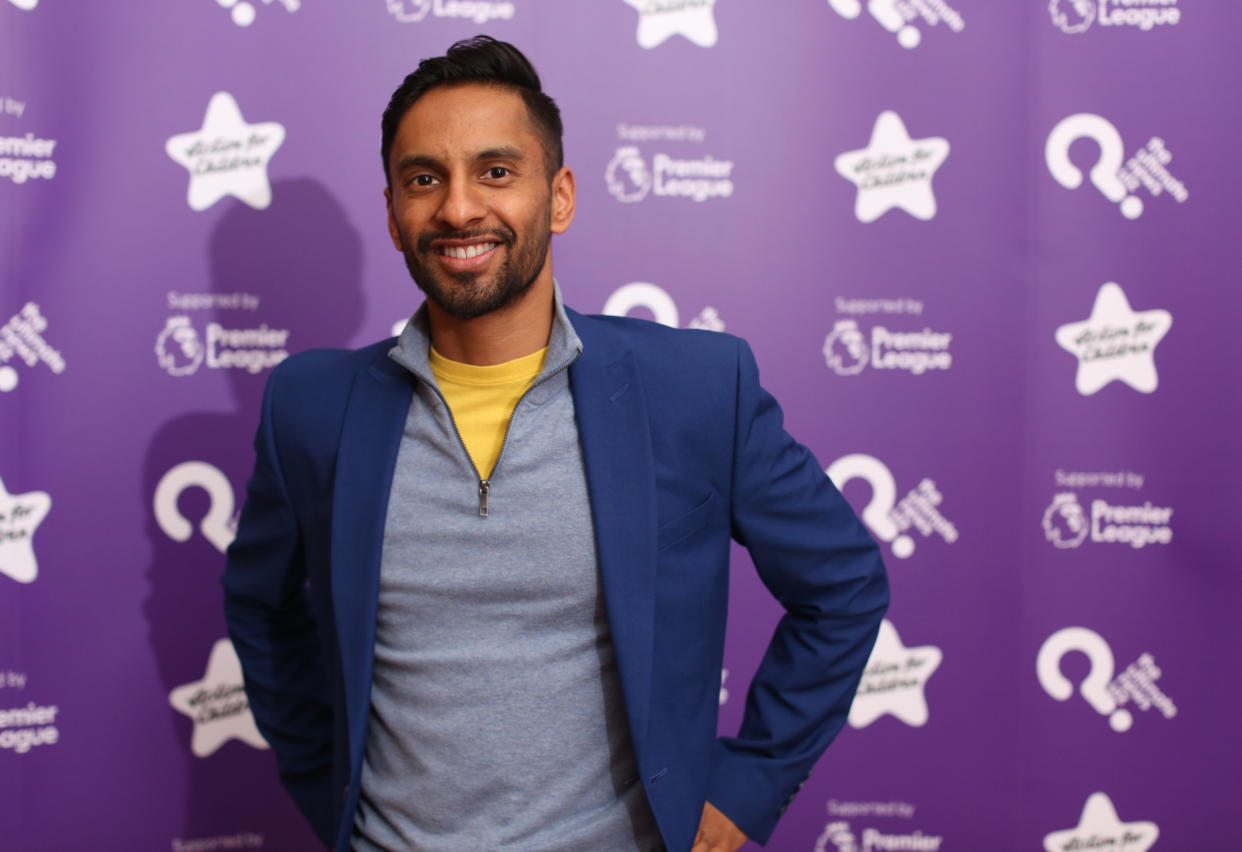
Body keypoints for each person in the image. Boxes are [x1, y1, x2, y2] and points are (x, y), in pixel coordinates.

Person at [222, 36, 888, 852]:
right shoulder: (310, 406)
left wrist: (747, 789)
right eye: (424, 178)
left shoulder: (697, 389)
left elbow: (845, 587)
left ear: (560, 196)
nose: (459, 209)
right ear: (395, 214)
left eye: (495, 172)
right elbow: (261, 606)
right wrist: (331, 784)